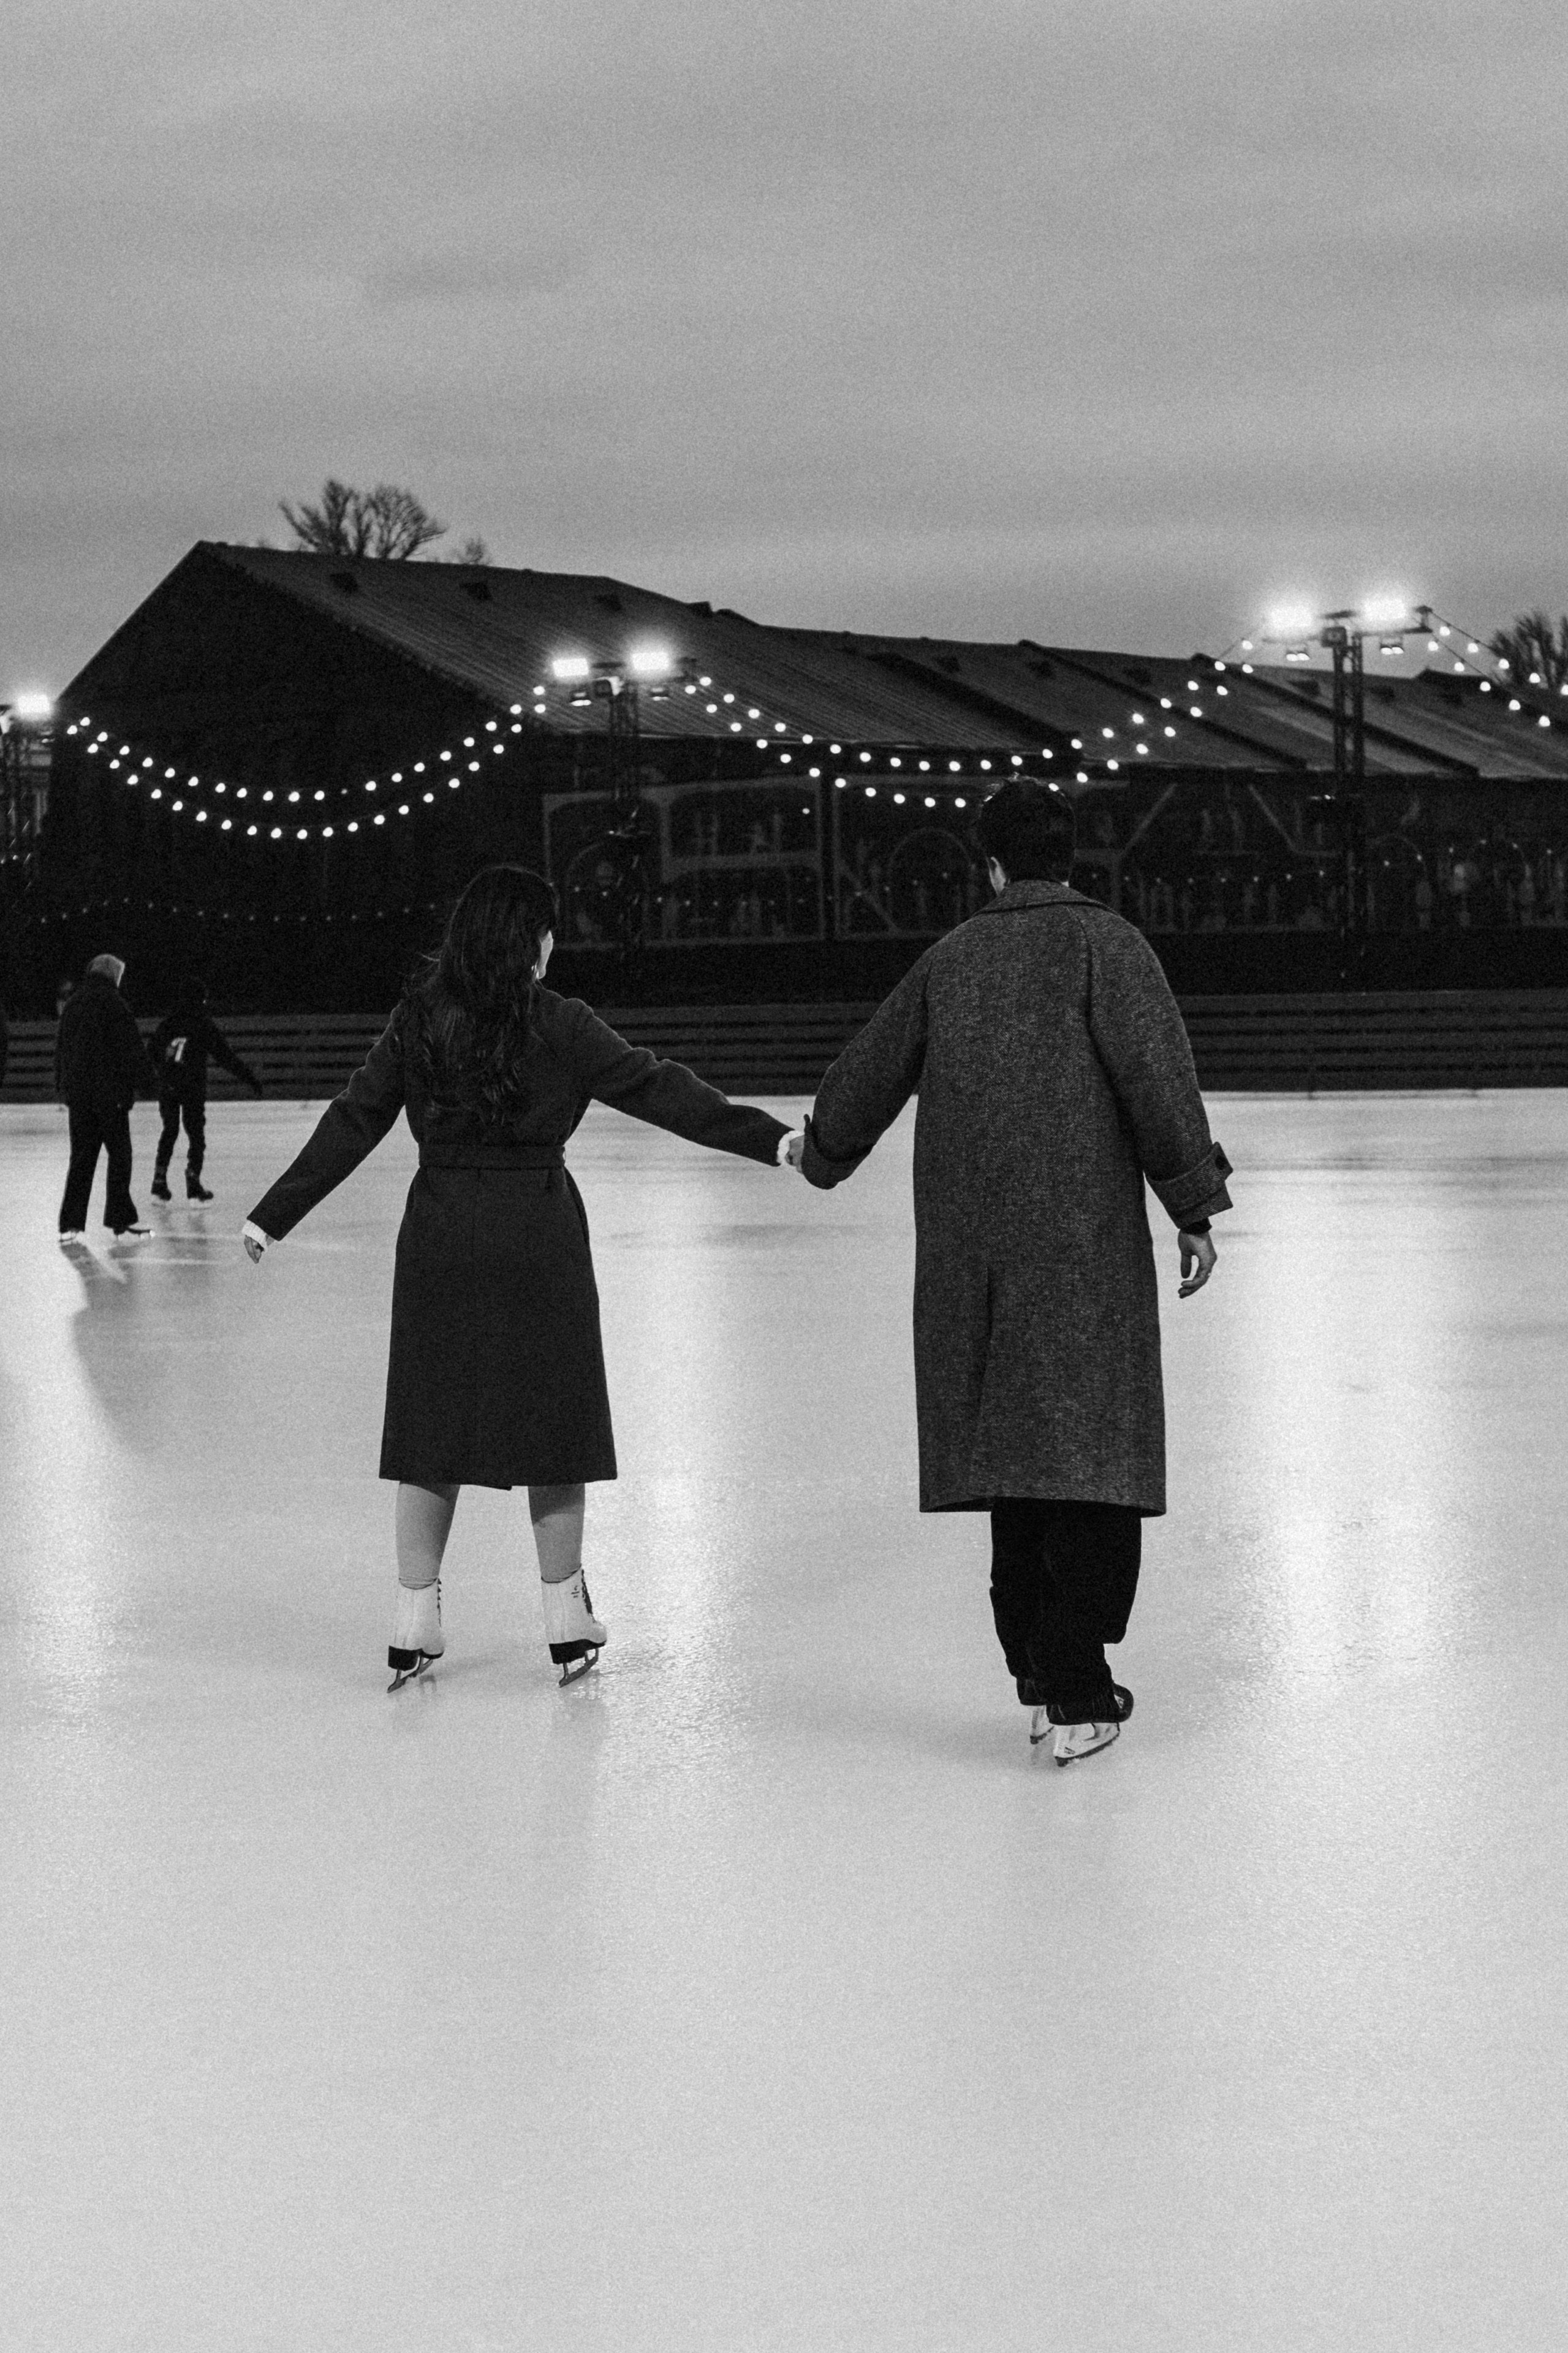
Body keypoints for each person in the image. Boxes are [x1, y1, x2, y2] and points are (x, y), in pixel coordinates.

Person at [242, 865, 805, 1692]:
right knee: (556, 1422)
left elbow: (356, 1115)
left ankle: (413, 1618)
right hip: (538, 1231)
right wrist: (773, 1139)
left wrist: (273, 1213)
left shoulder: (420, 1017)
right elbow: (656, 1087)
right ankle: (566, 1616)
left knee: (431, 1425)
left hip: (439, 1234)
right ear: (530, 940)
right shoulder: (560, 1021)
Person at [798, 780, 1233, 1768]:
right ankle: (1075, 1683)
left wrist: (819, 1150)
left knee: (1016, 1465)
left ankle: (1036, 1672)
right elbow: (1158, 1083)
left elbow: (867, 1070)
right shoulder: (1107, 945)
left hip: (975, 1257)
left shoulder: (949, 957)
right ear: (1067, 858)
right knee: (1091, 1461)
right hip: (1082, 1253)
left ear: (989, 865)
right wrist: (1192, 1205)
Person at [55, 953, 158, 1241]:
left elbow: (62, 1047)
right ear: (113, 975)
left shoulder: (74, 1003)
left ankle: (70, 1224)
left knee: (82, 1159)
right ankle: (119, 1220)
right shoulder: (114, 1004)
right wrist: (149, 1083)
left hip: (80, 1096)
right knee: (120, 1156)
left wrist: (63, 1085)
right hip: (110, 1096)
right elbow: (131, 1048)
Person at [148, 978, 263, 1203]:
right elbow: (225, 1056)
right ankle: (193, 1183)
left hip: (168, 1085)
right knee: (195, 1134)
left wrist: (159, 1075)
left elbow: (151, 1052)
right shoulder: (202, 1023)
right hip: (192, 1086)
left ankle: (159, 1182)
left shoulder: (168, 1024)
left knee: (169, 1131)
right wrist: (250, 1079)